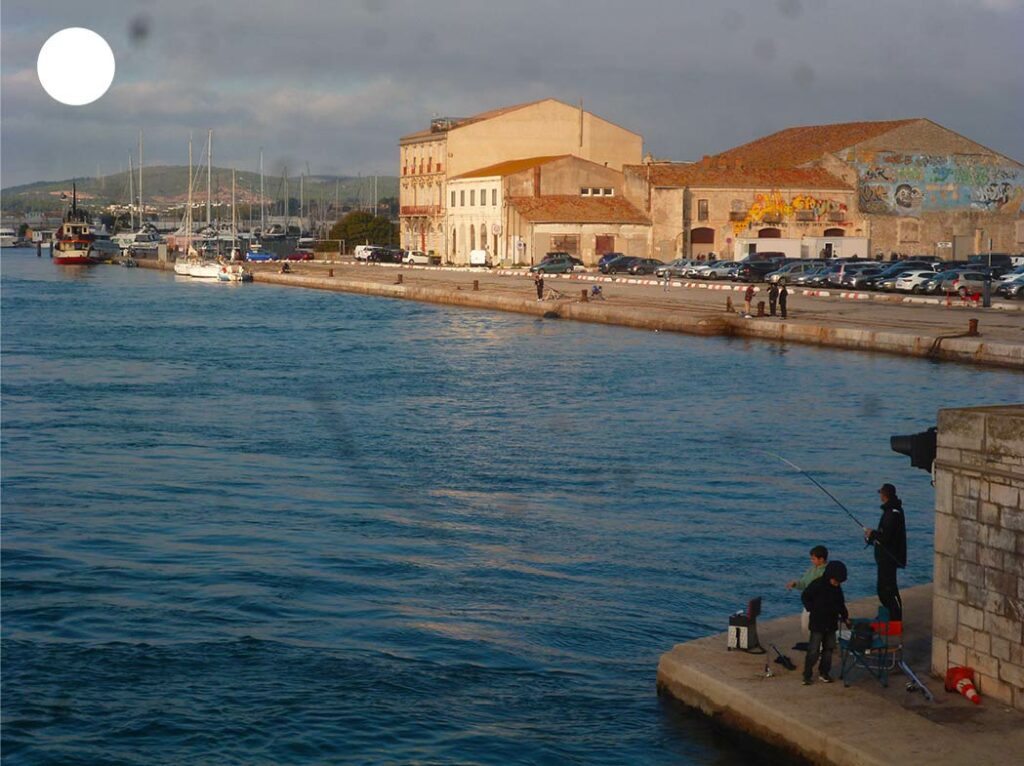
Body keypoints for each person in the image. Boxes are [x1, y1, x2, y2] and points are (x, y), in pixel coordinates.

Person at [801, 560, 849, 685]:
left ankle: (824, 672)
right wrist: (812, 608)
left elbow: (841, 604)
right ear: (829, 576)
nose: (837, 583)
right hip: (817, 623)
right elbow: (805, 596)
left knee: (828, 649)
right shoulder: (817, 584)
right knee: (813, 650)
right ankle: (807, 674)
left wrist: (845, 617)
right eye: (836, 580)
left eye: (839, 582)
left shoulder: (837, 589)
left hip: (831, 623)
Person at [864, 483, 906, 621]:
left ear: (884, 495)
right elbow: (887, 534)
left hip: (888, 558)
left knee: (886, 589)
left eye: (881, 494)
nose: (880, 496)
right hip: (888, 557)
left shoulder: (891, 513)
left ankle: (894, 618)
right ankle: (892, 615)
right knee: (887, 588)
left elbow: (886, 537)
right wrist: (873, 536)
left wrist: (872, 533)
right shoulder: (893, 510)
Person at [787, 545, 829, 634]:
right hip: (809, 602)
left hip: (819, 604)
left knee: (816, 628)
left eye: (813, 559)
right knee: (805, 626)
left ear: (821, 559)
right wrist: (795, 584)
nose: (811, 561)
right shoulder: (812, 570)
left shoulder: (827, 571)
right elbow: (804, 583)